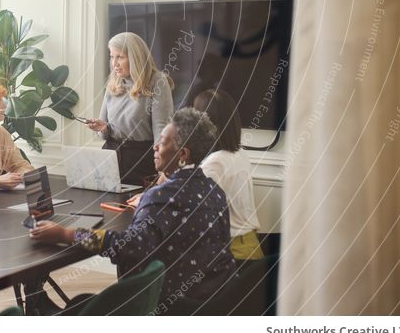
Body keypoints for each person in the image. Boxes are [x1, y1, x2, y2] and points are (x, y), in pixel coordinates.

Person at [31, 107, 236, 315]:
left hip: (168, 307)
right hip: (213, 301)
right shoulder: (215, 191)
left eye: (162, 141)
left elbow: (126, 247)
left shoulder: (160, 197)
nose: (154, 147)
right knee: (82, 301)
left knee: (82, 303)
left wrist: (66, 234)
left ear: (183, 154)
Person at [83, 32, 174, 187]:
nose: (114, 63)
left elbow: (161, 131)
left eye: (120, 57)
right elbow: (103, 134)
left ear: (135, 57)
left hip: (141, 162)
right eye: (112, 57)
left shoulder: (157, 81)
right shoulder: (113, 82)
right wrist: (104, 129)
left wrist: (164, 171)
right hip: (109, 159)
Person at [193, 89, 263, 260]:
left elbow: (199, 216)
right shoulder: (239, 154)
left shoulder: (214, 163)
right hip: (251, 246)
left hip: (232, 252)